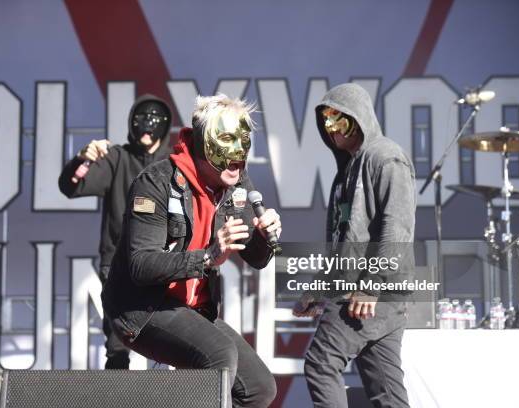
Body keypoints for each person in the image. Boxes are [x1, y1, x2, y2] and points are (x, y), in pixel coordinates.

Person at [102, 94, 279, 407]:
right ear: (203, 144)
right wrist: (209, 256)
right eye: (227, 141)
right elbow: (141, 266)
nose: (238, 155)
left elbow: (256, 258)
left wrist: (264, 236)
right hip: (140, 307)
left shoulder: (235, 183)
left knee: (259, 388)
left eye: (244, 142)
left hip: (191, 308)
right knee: (219, 356)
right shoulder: (156, 182)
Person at [293, 83, 415, 408]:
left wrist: (372, 287)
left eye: (338, 118)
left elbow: (397, 228)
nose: (330, 128)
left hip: (370, 293)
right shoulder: (347, 171)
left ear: (358, 118)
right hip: (372, 295)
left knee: (320, 365)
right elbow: (341, 242)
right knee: (386, 393)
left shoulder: (386, 157)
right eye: (325, 120)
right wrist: (319, 288)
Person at [59, 94, 172, 369]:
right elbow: (71, 186)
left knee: (174, 332)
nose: (146, 131)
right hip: (118, 261)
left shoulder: (172, 163)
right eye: (140, 123)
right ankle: (114, 392)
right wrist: (83, 160)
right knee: (118, 340)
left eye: (152, 124)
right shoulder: (117, 158)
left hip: (163, 260)